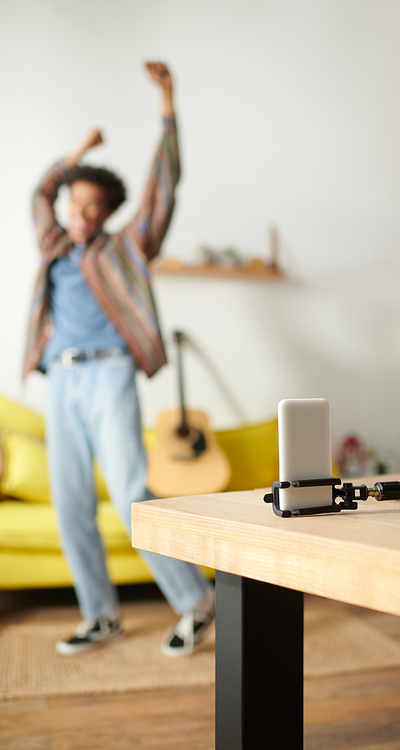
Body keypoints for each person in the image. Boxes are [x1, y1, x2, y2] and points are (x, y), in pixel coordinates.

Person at [23, 61, 215, 657]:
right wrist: (78, 151)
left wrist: (167, 103)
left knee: (132, 490)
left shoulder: (126, 249)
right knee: (71, 500)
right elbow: (39, 194)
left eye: (90, 207)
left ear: (106, 211)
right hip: (62, 377)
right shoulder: (54, 247)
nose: (78, 215)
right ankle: (99, 616)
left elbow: (163, 187)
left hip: (109, 372)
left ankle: (196, 601)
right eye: (73, 204)